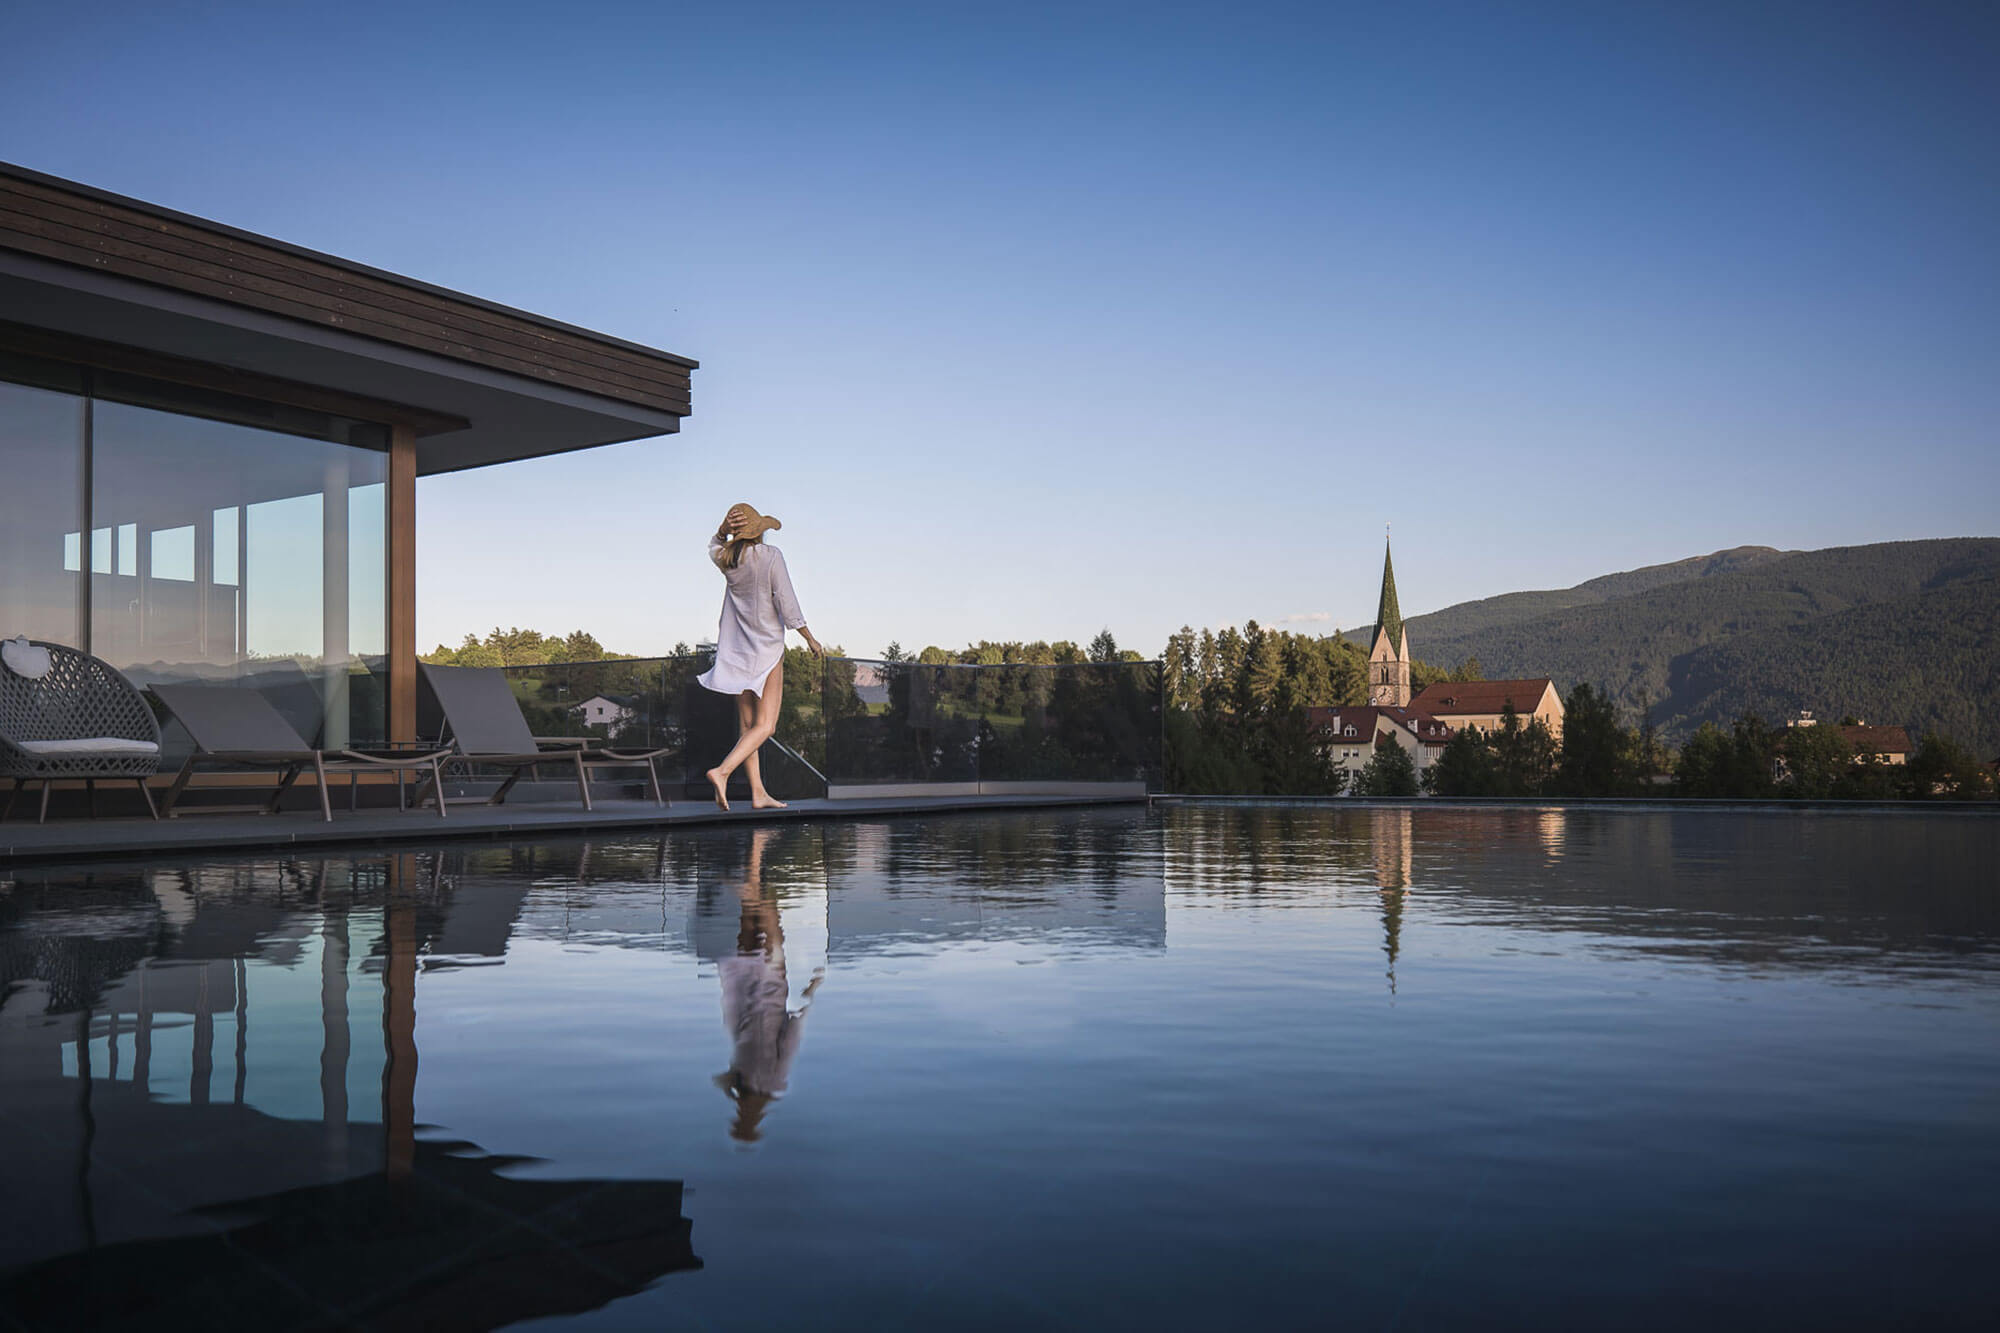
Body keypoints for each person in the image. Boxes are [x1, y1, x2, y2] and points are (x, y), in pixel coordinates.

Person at [697, 502, 824, 810]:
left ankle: (758, 792)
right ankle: (722, 771)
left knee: (748, 725)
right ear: (759, 532)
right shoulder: (770, 557)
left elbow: (714, 545)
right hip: (765, 652)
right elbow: (787, 602)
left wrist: (721, 531)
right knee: (766, 726)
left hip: (735, 653)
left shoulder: (728, 559)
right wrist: (810, 638)